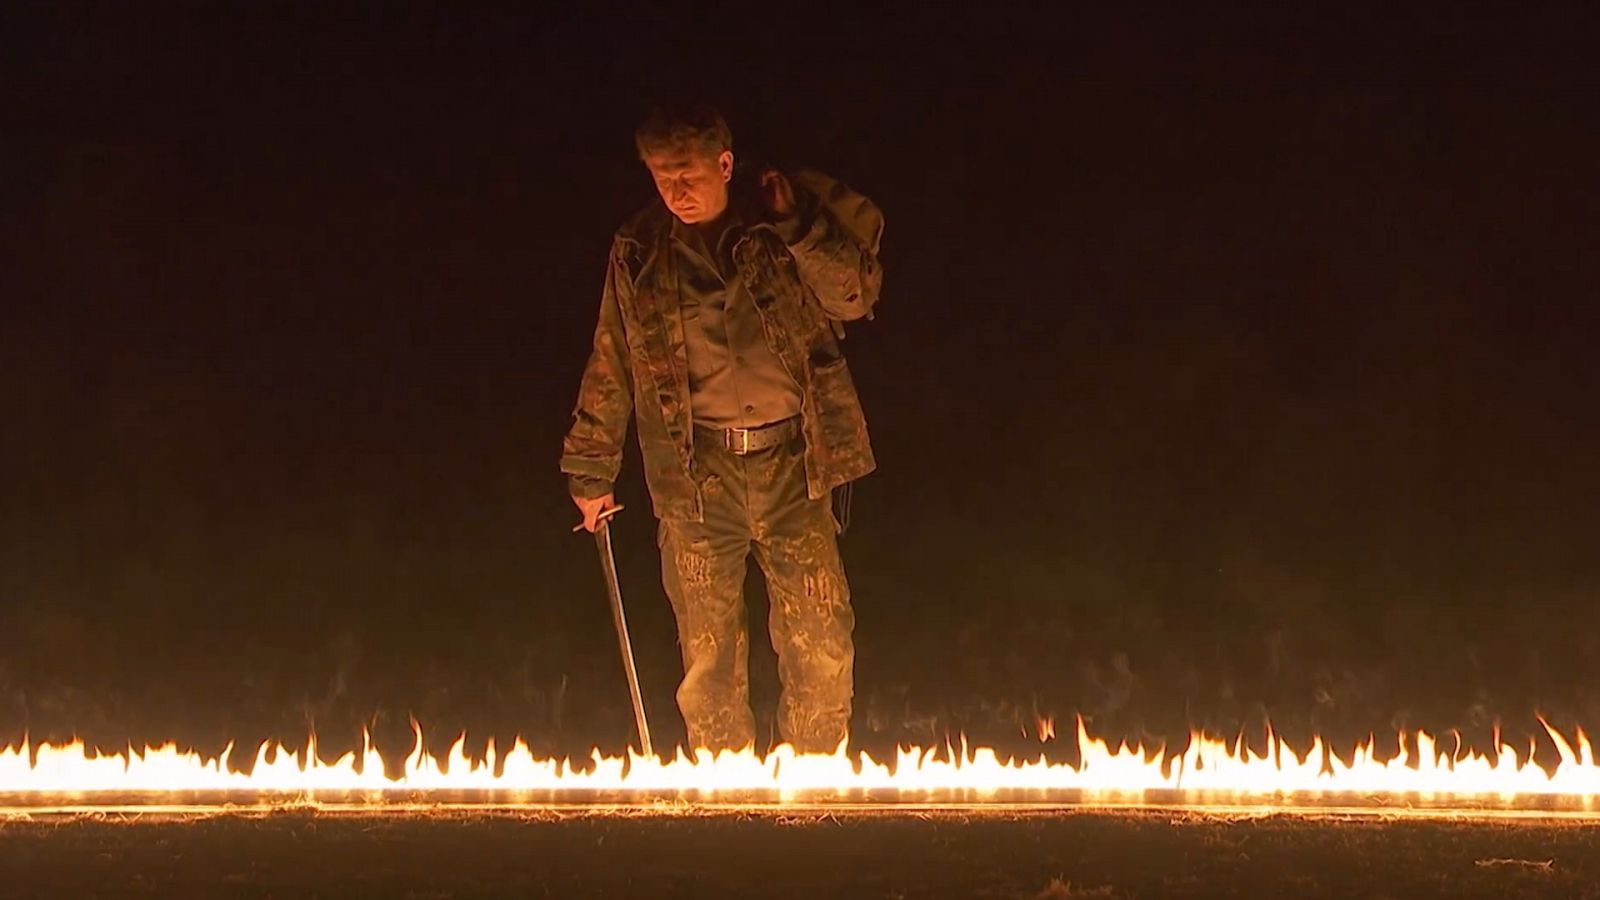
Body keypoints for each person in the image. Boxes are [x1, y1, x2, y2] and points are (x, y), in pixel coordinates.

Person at [560, 105, 883, 753]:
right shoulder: (640, 251)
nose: (676, 192)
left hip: (792, 462)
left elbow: (855, 296)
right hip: (697, 476)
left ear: (725, 165)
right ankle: (721, 795)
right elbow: (613, 358)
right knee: (708, 653)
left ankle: (812, 787)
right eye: (661, 177)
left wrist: (797, 225)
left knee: (818, 637)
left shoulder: (774, 228)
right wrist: (590, 470)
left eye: (688, 174)